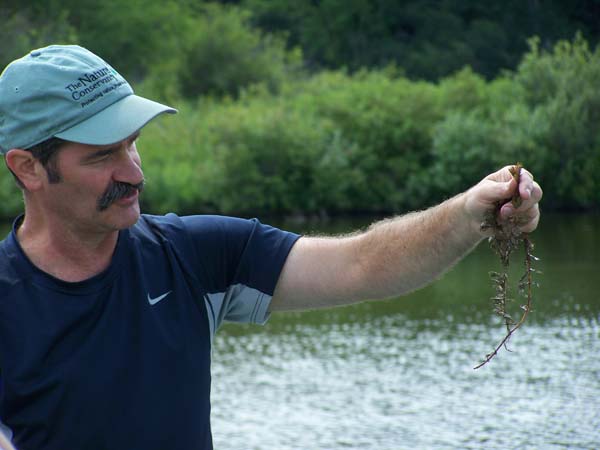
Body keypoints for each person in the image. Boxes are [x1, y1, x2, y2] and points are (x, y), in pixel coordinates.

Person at [0, 45, 542, 450]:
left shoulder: (192, 256)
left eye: (133, 143)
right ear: (28, 167)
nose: (133, 172)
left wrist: (469, 214)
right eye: (101, 156)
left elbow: (362, 264)